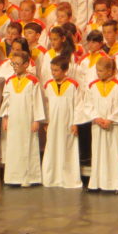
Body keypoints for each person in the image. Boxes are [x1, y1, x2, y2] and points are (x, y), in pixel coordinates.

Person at [84, 57, 118, 193]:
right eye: (97, 71)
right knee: (98, 153)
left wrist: (110, 119)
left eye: (101, 71)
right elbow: (88, 104)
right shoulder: (92, 86)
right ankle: (96, 183)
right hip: (97, 124)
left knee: (114, 153)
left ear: (110, 71)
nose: (98, 73)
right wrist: (96, 118)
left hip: (113, 125)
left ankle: (116, 184)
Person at [0, 51, 44, 187]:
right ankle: (13, 177)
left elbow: (37, 101)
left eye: (18, 64)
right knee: (13, 147)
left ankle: (28, 178)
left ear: (26, 64)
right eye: (13, 63)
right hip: (13, 119)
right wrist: (5, 118)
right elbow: (6, 101)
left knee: (27, 146)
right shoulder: (10, 81)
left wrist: (36, 120)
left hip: (27, 118)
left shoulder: (33, 81)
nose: (15, 66)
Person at [41, 56, 83, 189]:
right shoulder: (48, 85)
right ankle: (52, 178)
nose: (54, 73)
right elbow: (47, 105)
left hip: (68, 122)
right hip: (53, 123)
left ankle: (68, 179)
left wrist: (76, 122)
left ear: (65, 70)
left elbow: (78, 105)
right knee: (52, 147)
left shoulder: (73, 85)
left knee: (67, 149)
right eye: (52, 70)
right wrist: (46, 121)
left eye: (57, 70)